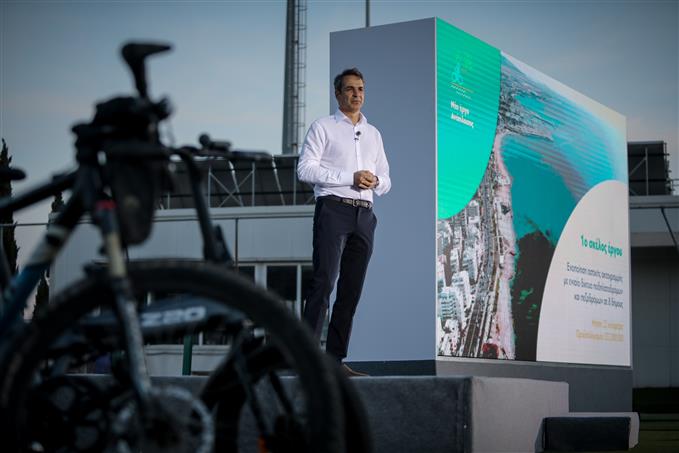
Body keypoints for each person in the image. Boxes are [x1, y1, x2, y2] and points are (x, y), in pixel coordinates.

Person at [297, 67, 391, 376]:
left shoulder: (374, 134)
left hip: (364, 215)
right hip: (333, 210)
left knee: (351, 290)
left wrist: (376, 181)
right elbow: (305, 170)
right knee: (323, 283)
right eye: (350, 89)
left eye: (360, 89)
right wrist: (349, 177)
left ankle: (334, 361)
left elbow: (387, 180)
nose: (356, 94)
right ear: (337, 93)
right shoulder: (323, 127)